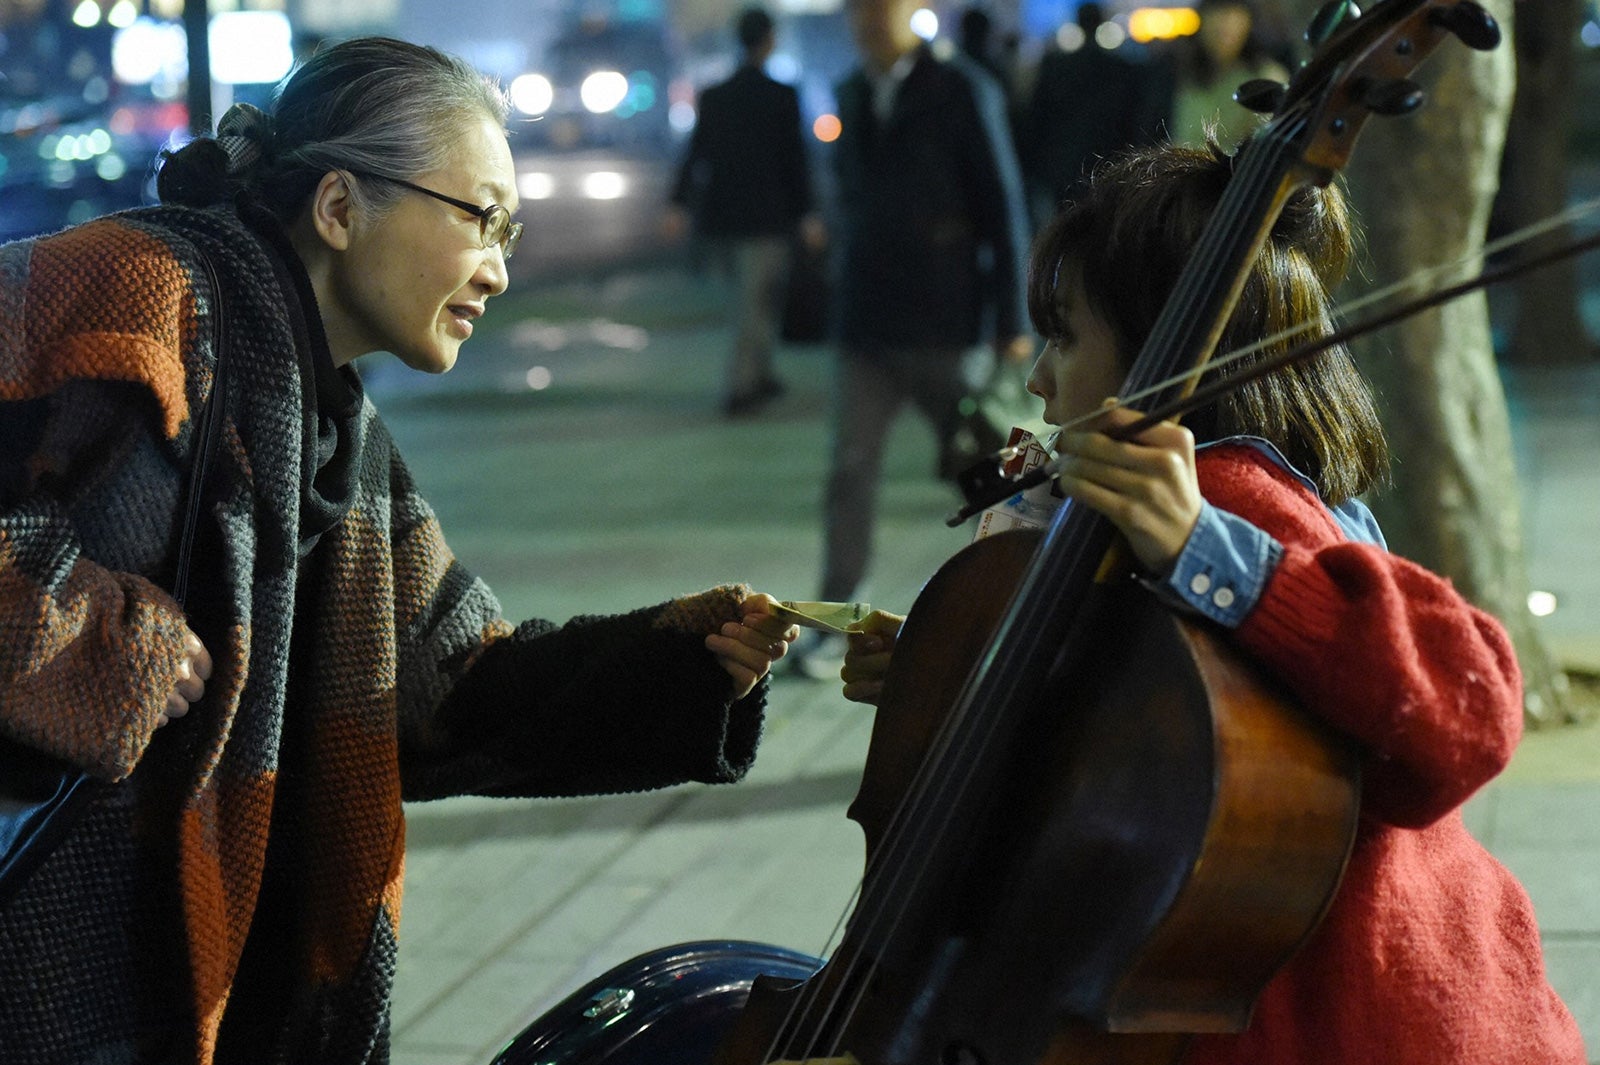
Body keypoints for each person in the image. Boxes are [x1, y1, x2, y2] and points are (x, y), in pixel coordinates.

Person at [0, 37, 797, 1065]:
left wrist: (684, 660)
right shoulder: (128, 288)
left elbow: (441, 688)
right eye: (483, 219)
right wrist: (96, 642)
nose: (502, 269)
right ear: (339, 208)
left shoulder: (333, 431)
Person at [837, 141, 1588, 1063]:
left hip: (1370, 1024)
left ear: (1166, 350)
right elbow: (1163, 736)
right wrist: (952, 672)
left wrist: (1205, 546)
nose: (1037, 379)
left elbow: (1471, 715)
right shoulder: (1129, 512)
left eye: (1065, 336)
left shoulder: (1231, 500)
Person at [791, 0, 1033, 676]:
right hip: (866, 321)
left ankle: (1024, 596)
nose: (870, 21)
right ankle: (836, 615)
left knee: (985, 466)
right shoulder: (851, 92)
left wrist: (1013, 319)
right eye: (860, 10)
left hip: (945, 319)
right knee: (850, 470)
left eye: (883, 8)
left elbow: (1002, 205)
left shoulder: (961, 88)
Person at [665, 6, 821, 417]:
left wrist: (678, 204)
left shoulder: (716, 96)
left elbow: (696, 154)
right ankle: (740, 386)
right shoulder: (782, 96)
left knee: (751, 299)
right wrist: (808, 213)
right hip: (769, 218)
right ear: (769, 39)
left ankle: (761, 374)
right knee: (758, 302)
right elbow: (796, 161)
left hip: (724, 218)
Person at [1018, 2, 1165, 222]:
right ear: (1099, 23)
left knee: (1067, 225)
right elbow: (1134, 121)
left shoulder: (1056, 67)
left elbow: (1037, 118)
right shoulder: (1123, 70)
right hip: (1108, 163)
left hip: (1062, 166)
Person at [1163, 0, 1290, 151]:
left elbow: (1267, 149)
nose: (1224, 24)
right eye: (1216, 13)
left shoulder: (1266, 77)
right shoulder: (1186, 75)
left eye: (1233, 13)